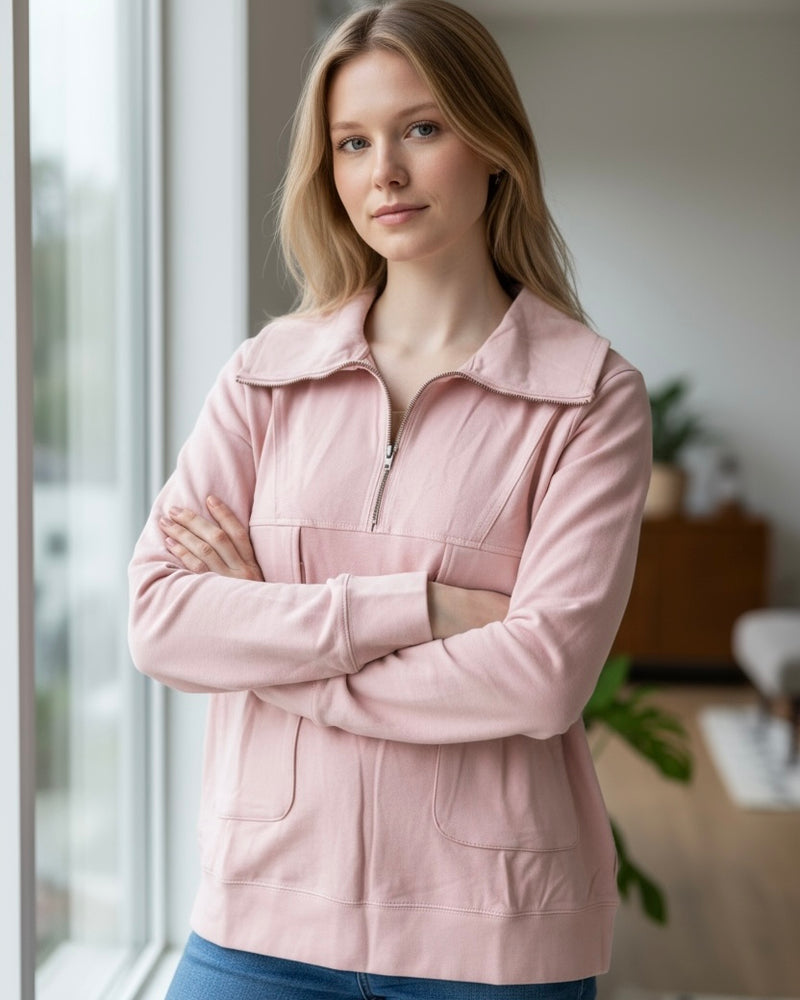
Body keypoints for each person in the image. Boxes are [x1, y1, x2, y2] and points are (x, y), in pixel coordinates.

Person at [128, 1, 652, 997]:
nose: (385, 174)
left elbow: (541, 677)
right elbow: (160, 619)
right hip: (259, 915)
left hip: (492, 936)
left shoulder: (588, 397)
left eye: (421, 128)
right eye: (351, 142)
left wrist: (274, 655)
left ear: (493, 143)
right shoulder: (265, 376)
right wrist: (419, 608)